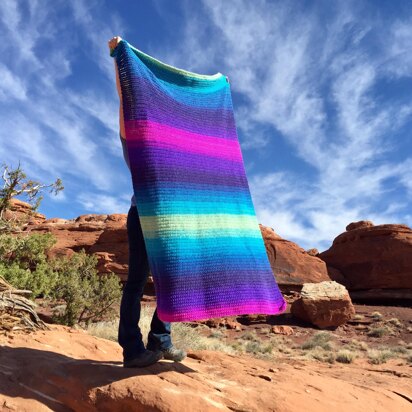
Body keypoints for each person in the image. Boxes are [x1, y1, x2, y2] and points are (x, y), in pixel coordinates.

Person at [109, 36, 187, 368]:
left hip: (171, 220)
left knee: (176, 277)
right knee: (138, 279)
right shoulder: (139, 142)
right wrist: (119, 59)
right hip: (142, 215)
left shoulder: (176, 154)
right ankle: (132, 349)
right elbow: (126, 102)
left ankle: (161, 338)